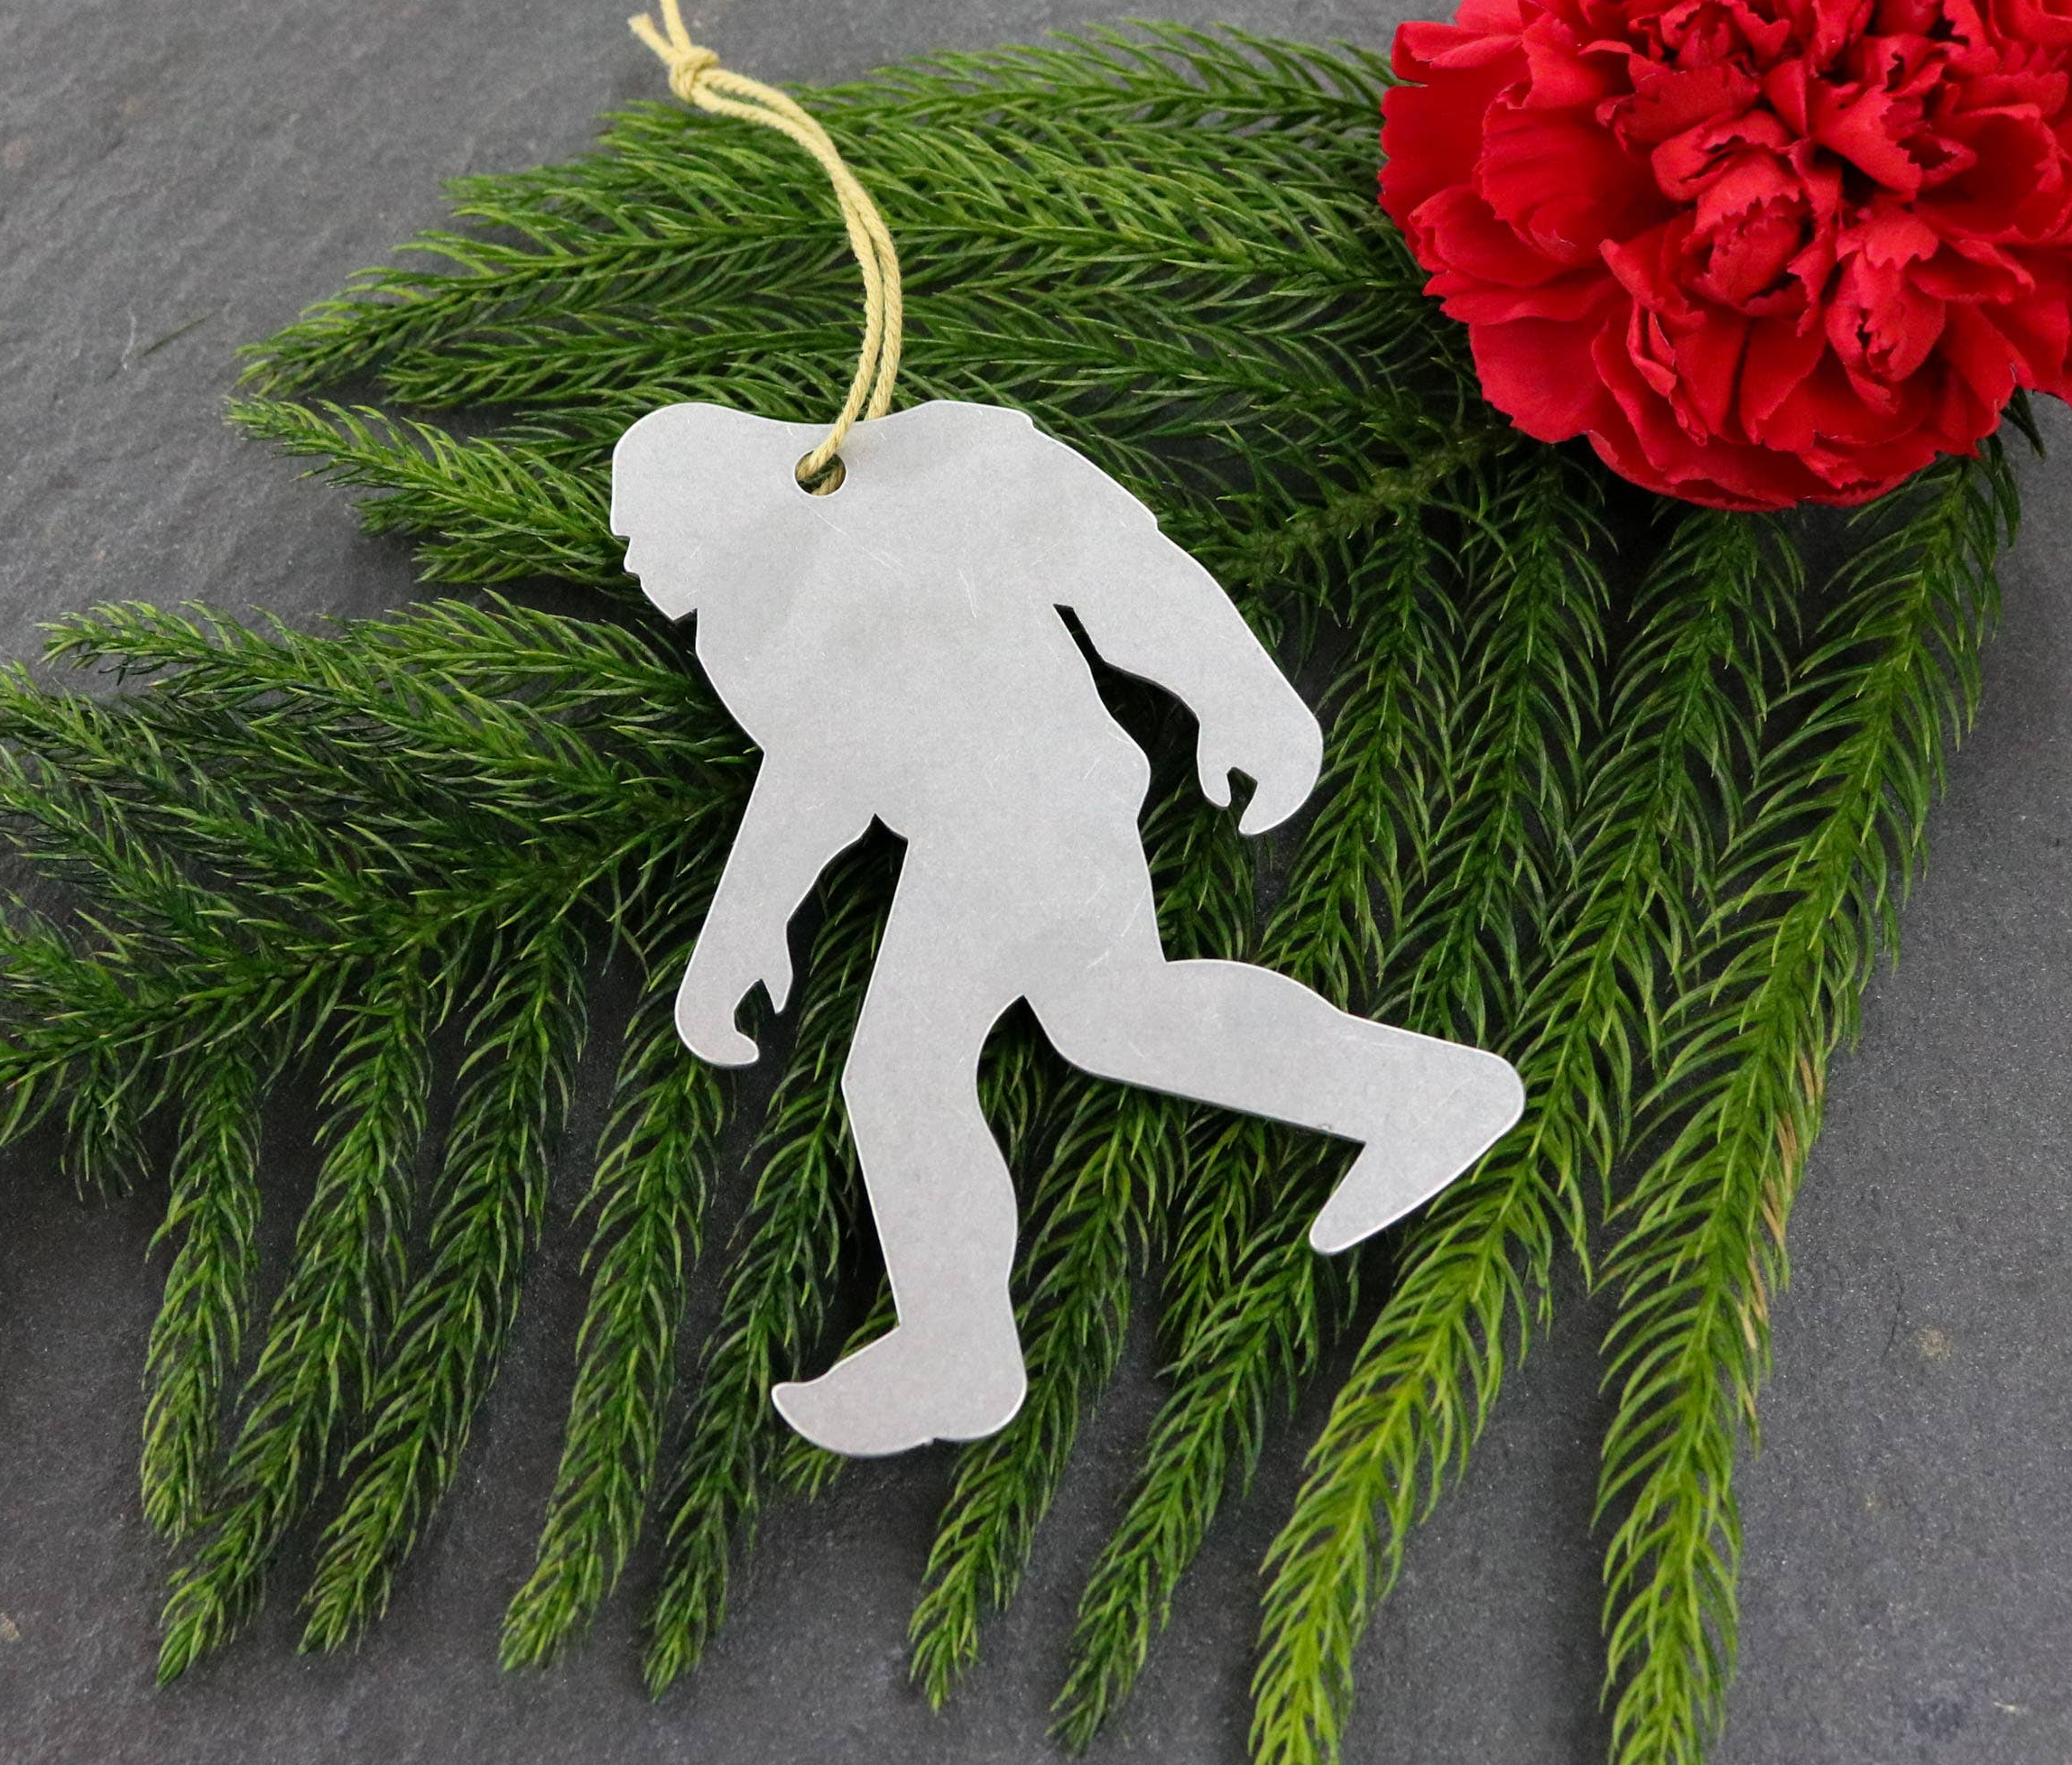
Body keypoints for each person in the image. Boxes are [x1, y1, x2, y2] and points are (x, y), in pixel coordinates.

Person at [610, 399, 1523, 1455]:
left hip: (1026, 807)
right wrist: (743, 924)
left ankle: (956, 1350)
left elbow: (1118, 569)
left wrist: (1244, 695)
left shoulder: (943, 471)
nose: (631, 554)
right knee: (1117, 1019)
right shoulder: (745, 624)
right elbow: (821, 768)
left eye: (646, 521)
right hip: (997, 822)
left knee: (901, 1074)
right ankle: (1421, 1094)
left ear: (728, 490)